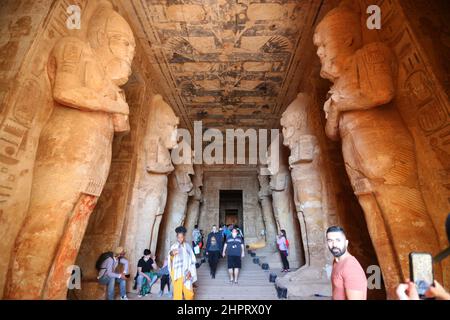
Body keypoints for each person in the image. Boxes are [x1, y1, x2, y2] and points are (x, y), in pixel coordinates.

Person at [326, 226, 367, 300]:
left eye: (338, 240)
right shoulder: (336, 261)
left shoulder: (351, 268)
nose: (334, 245)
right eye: (330, 240)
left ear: (346, 243)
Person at [168, 226, 198, 300]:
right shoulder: (174, 246)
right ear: (176, 237)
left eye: (181, 237)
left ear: (184, 237)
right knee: (177, 295)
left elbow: (192, 260)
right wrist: (172, 253)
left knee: (189, 294)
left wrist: (190, 272)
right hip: (177, 274)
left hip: (186, 273)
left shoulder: (187, 247)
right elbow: (170, 258)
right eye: (178, 237)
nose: (180, 239)